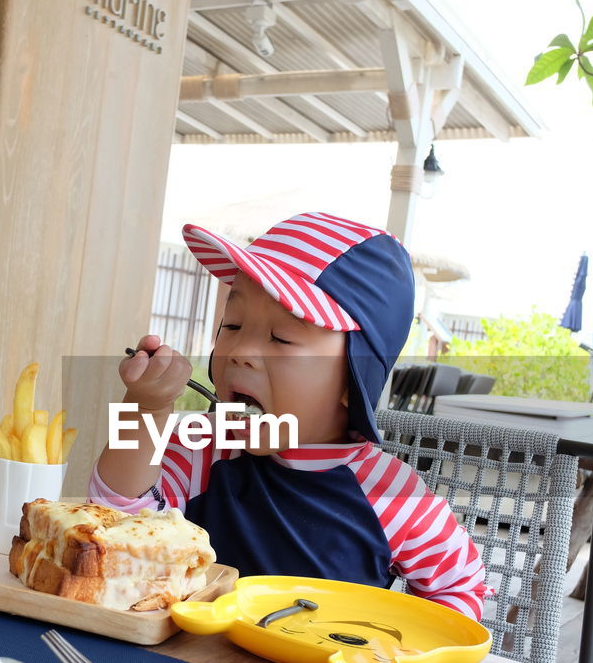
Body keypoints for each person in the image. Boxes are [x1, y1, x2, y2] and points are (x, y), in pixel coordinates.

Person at [90, 211, 486, 621]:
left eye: (281, 337)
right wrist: (144, 409)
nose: (241, 351)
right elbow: (114, 518)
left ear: (355, 381)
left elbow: (460, 586)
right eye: (233, 324)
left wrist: (402, 651)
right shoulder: (204, 448)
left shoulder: (392, 494)